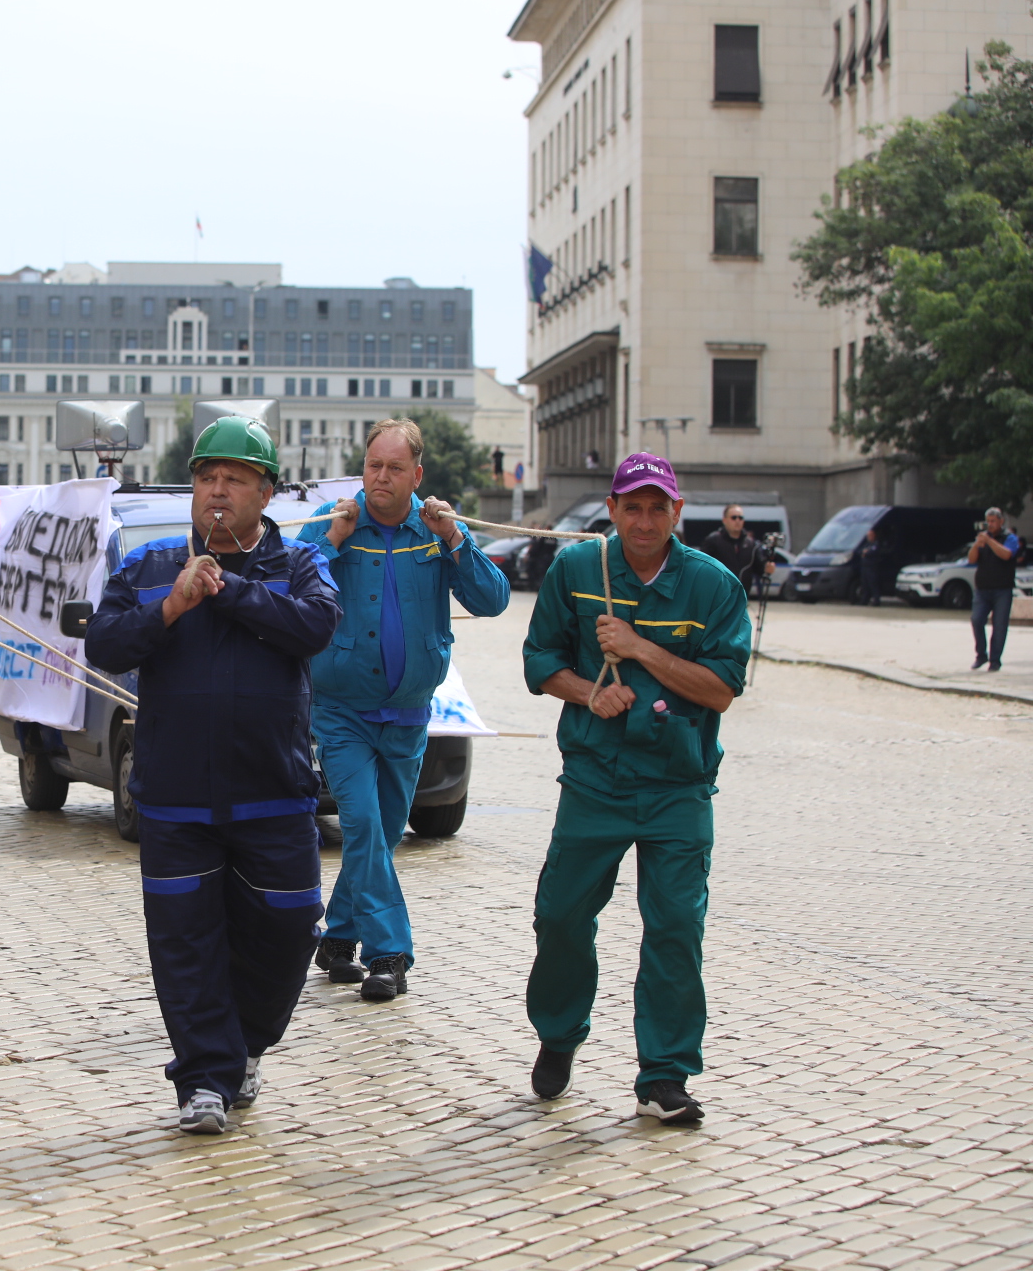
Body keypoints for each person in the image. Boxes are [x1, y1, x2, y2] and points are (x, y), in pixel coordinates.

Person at [85, 417, 341, 1134]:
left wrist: (226, 592)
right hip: (175, 800)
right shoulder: (149, 566)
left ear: (266, 493)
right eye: (206, 477)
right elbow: (103, 645)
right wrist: (171, 606)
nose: (216, 491)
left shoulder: (300, 566)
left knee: (291, 930)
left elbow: (314, 628)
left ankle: (246, 1045)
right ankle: (203, 1080)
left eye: (233, 479)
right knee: (184, 945)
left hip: (274, 795)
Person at [520, 453, 751, 1124]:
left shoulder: (713, 587)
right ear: (613, 510)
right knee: (560, 915)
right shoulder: (578, 572)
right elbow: (540, 662)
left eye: (658, 507)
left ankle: (665, 1074)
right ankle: (559, 1034)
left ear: (676, 513)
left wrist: (642, 648)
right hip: (595, 781)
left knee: (676, 927)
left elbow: (721, 690)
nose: (645, 520)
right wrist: (588, 696)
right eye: (633, 507)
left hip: (679, 785)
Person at [296, 418, 511, 1001]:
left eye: (394, 468)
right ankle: (391, 953)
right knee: (362, 823)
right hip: (341, 712)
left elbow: (492, 601)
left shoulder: (435, 530)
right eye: (373, 466)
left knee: (382, 834)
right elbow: (285, 587)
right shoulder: (334, 524)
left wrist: (457, 540)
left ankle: (338, 936)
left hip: (411, 712)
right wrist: (331, 540)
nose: (381, 478)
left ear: (417, 475)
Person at [969, 507, 1020, 672]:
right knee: (976, 620)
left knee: (999, 626)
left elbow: (1007, 555)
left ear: (1001, 521)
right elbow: (971, 559)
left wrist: (990, 541)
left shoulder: (1009, 538)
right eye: (988, 521)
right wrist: (977, 544)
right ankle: (981, 655)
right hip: (982, 589)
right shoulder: (984, 538)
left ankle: (995, 660)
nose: (990, 525)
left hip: (1002, 590)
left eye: (993, 521)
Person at [697, 505, 776, 596]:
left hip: (741, 597)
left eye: (740, 518)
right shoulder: (713, 540)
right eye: (733, 518)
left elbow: (759, 568)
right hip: (718, 597)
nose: (737, 521)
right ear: (724, 520)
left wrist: (767, 568)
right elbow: (701, 566)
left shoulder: (751, 543)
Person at [850, 528, 883, 606]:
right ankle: (864, 601)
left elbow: (872, 552)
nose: (869, 537)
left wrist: (866, 553)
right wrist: (864, 552)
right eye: (868, 536)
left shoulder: (876, 544)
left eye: (870, 535)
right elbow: (859, 551)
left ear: (874, 535)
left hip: (872, 567)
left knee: (873, 584)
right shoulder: (867, 544)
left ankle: (876, 601)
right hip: (864, 567)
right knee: (865, 584)